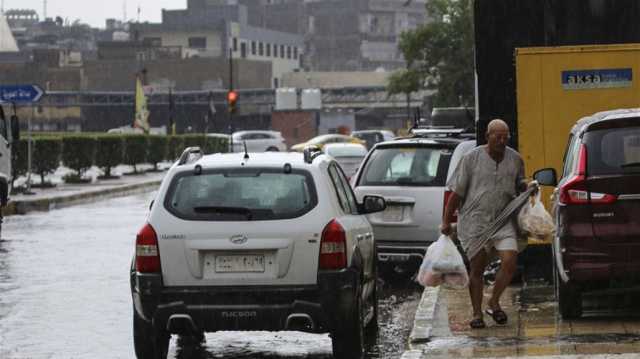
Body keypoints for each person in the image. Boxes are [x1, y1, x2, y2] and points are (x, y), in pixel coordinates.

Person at [441, 119, 534, 329]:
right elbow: (457, 194)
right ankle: (476, 314)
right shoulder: (470, 159)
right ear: (487, 137)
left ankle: (493, 302)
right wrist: (446, 220)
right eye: (497, 137)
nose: (502, 141)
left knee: (510, 262)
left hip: (503, 219)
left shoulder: (515, 159)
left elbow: (519, 182)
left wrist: (527, 185)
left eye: (505, 137)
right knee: (477, 269)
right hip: (475, 222)